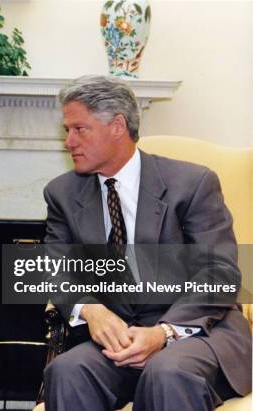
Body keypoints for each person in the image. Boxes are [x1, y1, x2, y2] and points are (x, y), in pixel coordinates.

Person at [42, 75, 251, 410]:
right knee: (66, 371)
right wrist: (91, 311)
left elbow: (220, 274)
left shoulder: (193, 183)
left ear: (117, 126)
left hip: (197, 332)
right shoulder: (62, 193)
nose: (69, 141)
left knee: (167, 372)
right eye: (67, 130)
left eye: (79, 129)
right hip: (118, 339)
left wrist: (163, 333)